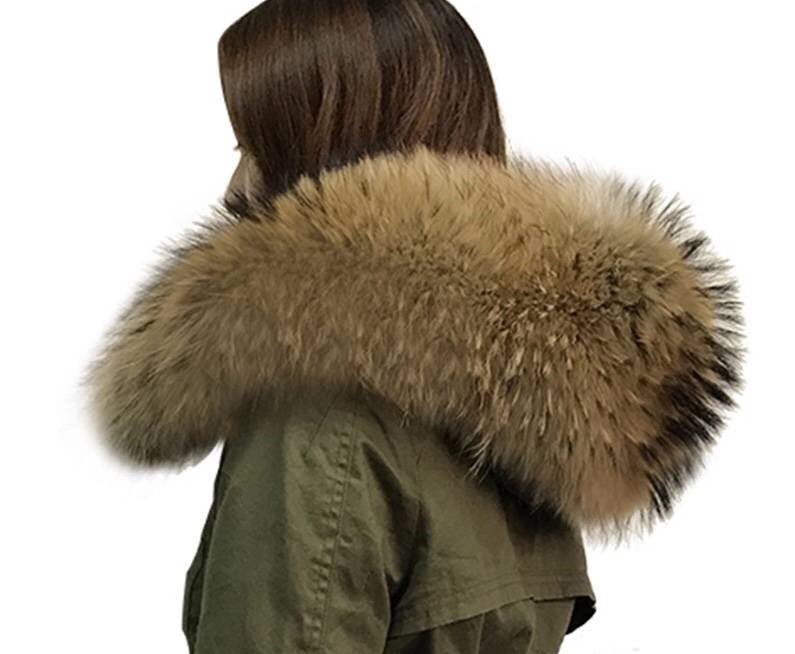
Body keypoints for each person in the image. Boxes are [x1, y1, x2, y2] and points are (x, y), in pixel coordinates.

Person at [82, 1, 744, 652]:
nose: (234, 189)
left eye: (256, 147)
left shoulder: (316, 415)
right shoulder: (532, 415)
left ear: (336, 154)